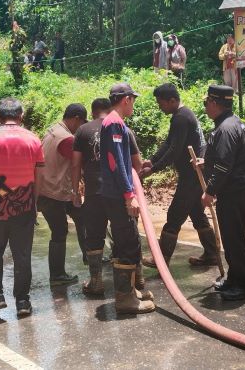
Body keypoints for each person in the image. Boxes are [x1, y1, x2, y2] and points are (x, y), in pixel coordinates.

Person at [0, 98, 44, 317]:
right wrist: (35, 202)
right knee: (22, 254)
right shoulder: (33, 139)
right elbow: (38, 174)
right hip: (24, 207)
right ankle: (22, 302)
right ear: (21, 115)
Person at [72, 98, 150, 298]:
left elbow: (75, 164)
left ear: (92, 112)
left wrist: (75, 190)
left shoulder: (82, 131)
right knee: (127, 236)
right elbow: (136, 164)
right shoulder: (123, 128)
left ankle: (96, 281)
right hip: (118, 194)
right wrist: (132, 191)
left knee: (94, 236)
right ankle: (137, 279)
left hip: (94, 193)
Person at [140, 83, 220, 268]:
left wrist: (153, 169)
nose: (160, 107)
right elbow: (169, 143)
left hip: (193, 176)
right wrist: (152, 160)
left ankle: (161, 260)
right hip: (193, 174)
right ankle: (211, 254)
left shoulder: (181, 118)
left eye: (162, 103)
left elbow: (175, 151)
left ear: (173, 100)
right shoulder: (182, 115)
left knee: (174, 215)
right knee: (196, 214)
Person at [100, 82, 156, 314]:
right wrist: (128, 194)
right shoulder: (113, 123)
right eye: (133, 100)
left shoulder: (117, 123)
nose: (133, 104)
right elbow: (116, 163)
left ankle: (130, 292)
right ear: (126, 100)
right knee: (127, 244)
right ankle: (124, 299)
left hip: (115, 193)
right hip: (117, 194)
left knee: (129, 241)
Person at [201, 84, 245, 301]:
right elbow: (227, 159)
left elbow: (225, 166)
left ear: (215, 103)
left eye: (206, 103)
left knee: (236, 239)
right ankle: (235, 279)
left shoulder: (225, 129)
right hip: (234, 192)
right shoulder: (231, 124)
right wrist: (206, 162)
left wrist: (210, 191)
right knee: (231, 238)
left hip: (234, 193)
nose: (205, 107)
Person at [38, 104, 88, 285]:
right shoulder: (66, 139)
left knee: (82, 217)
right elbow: (78, 164)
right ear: (76, 118)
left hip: (49, 188)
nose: (81, 128)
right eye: (82, 123)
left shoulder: (54, 129)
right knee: (59, 232)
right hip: (54, 192)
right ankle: (57, 275)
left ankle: (90, 256)